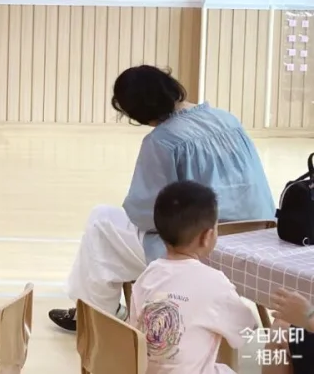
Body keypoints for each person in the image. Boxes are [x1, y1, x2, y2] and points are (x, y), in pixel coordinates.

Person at [48, 65, 275, 332]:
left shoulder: (163, 140)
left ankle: (97, 318)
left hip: (205, 248)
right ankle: (92, 311)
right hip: (258, 237)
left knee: (101, 222)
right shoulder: (227, 119)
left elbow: (147, 215)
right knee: (112, 233)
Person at [130, 181, 257, 373]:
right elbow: (245, 330)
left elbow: (134, 328)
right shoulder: (215, 283)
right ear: (207, 236)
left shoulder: (148, 275)